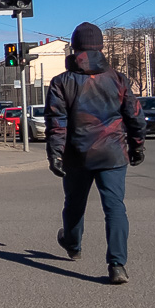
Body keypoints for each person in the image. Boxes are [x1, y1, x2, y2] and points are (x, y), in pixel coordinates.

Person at [45, 22, 147, 285]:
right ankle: (117, 265)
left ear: (74, 47)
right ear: (101, 47)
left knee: (74, 203)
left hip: (77, 153)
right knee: (115, 208)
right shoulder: (118, 79)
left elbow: (58, 122)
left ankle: (73, 244)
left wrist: (55, 154)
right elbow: (134, 116)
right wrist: (137, 146)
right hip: (113, 153)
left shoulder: (61, 82)